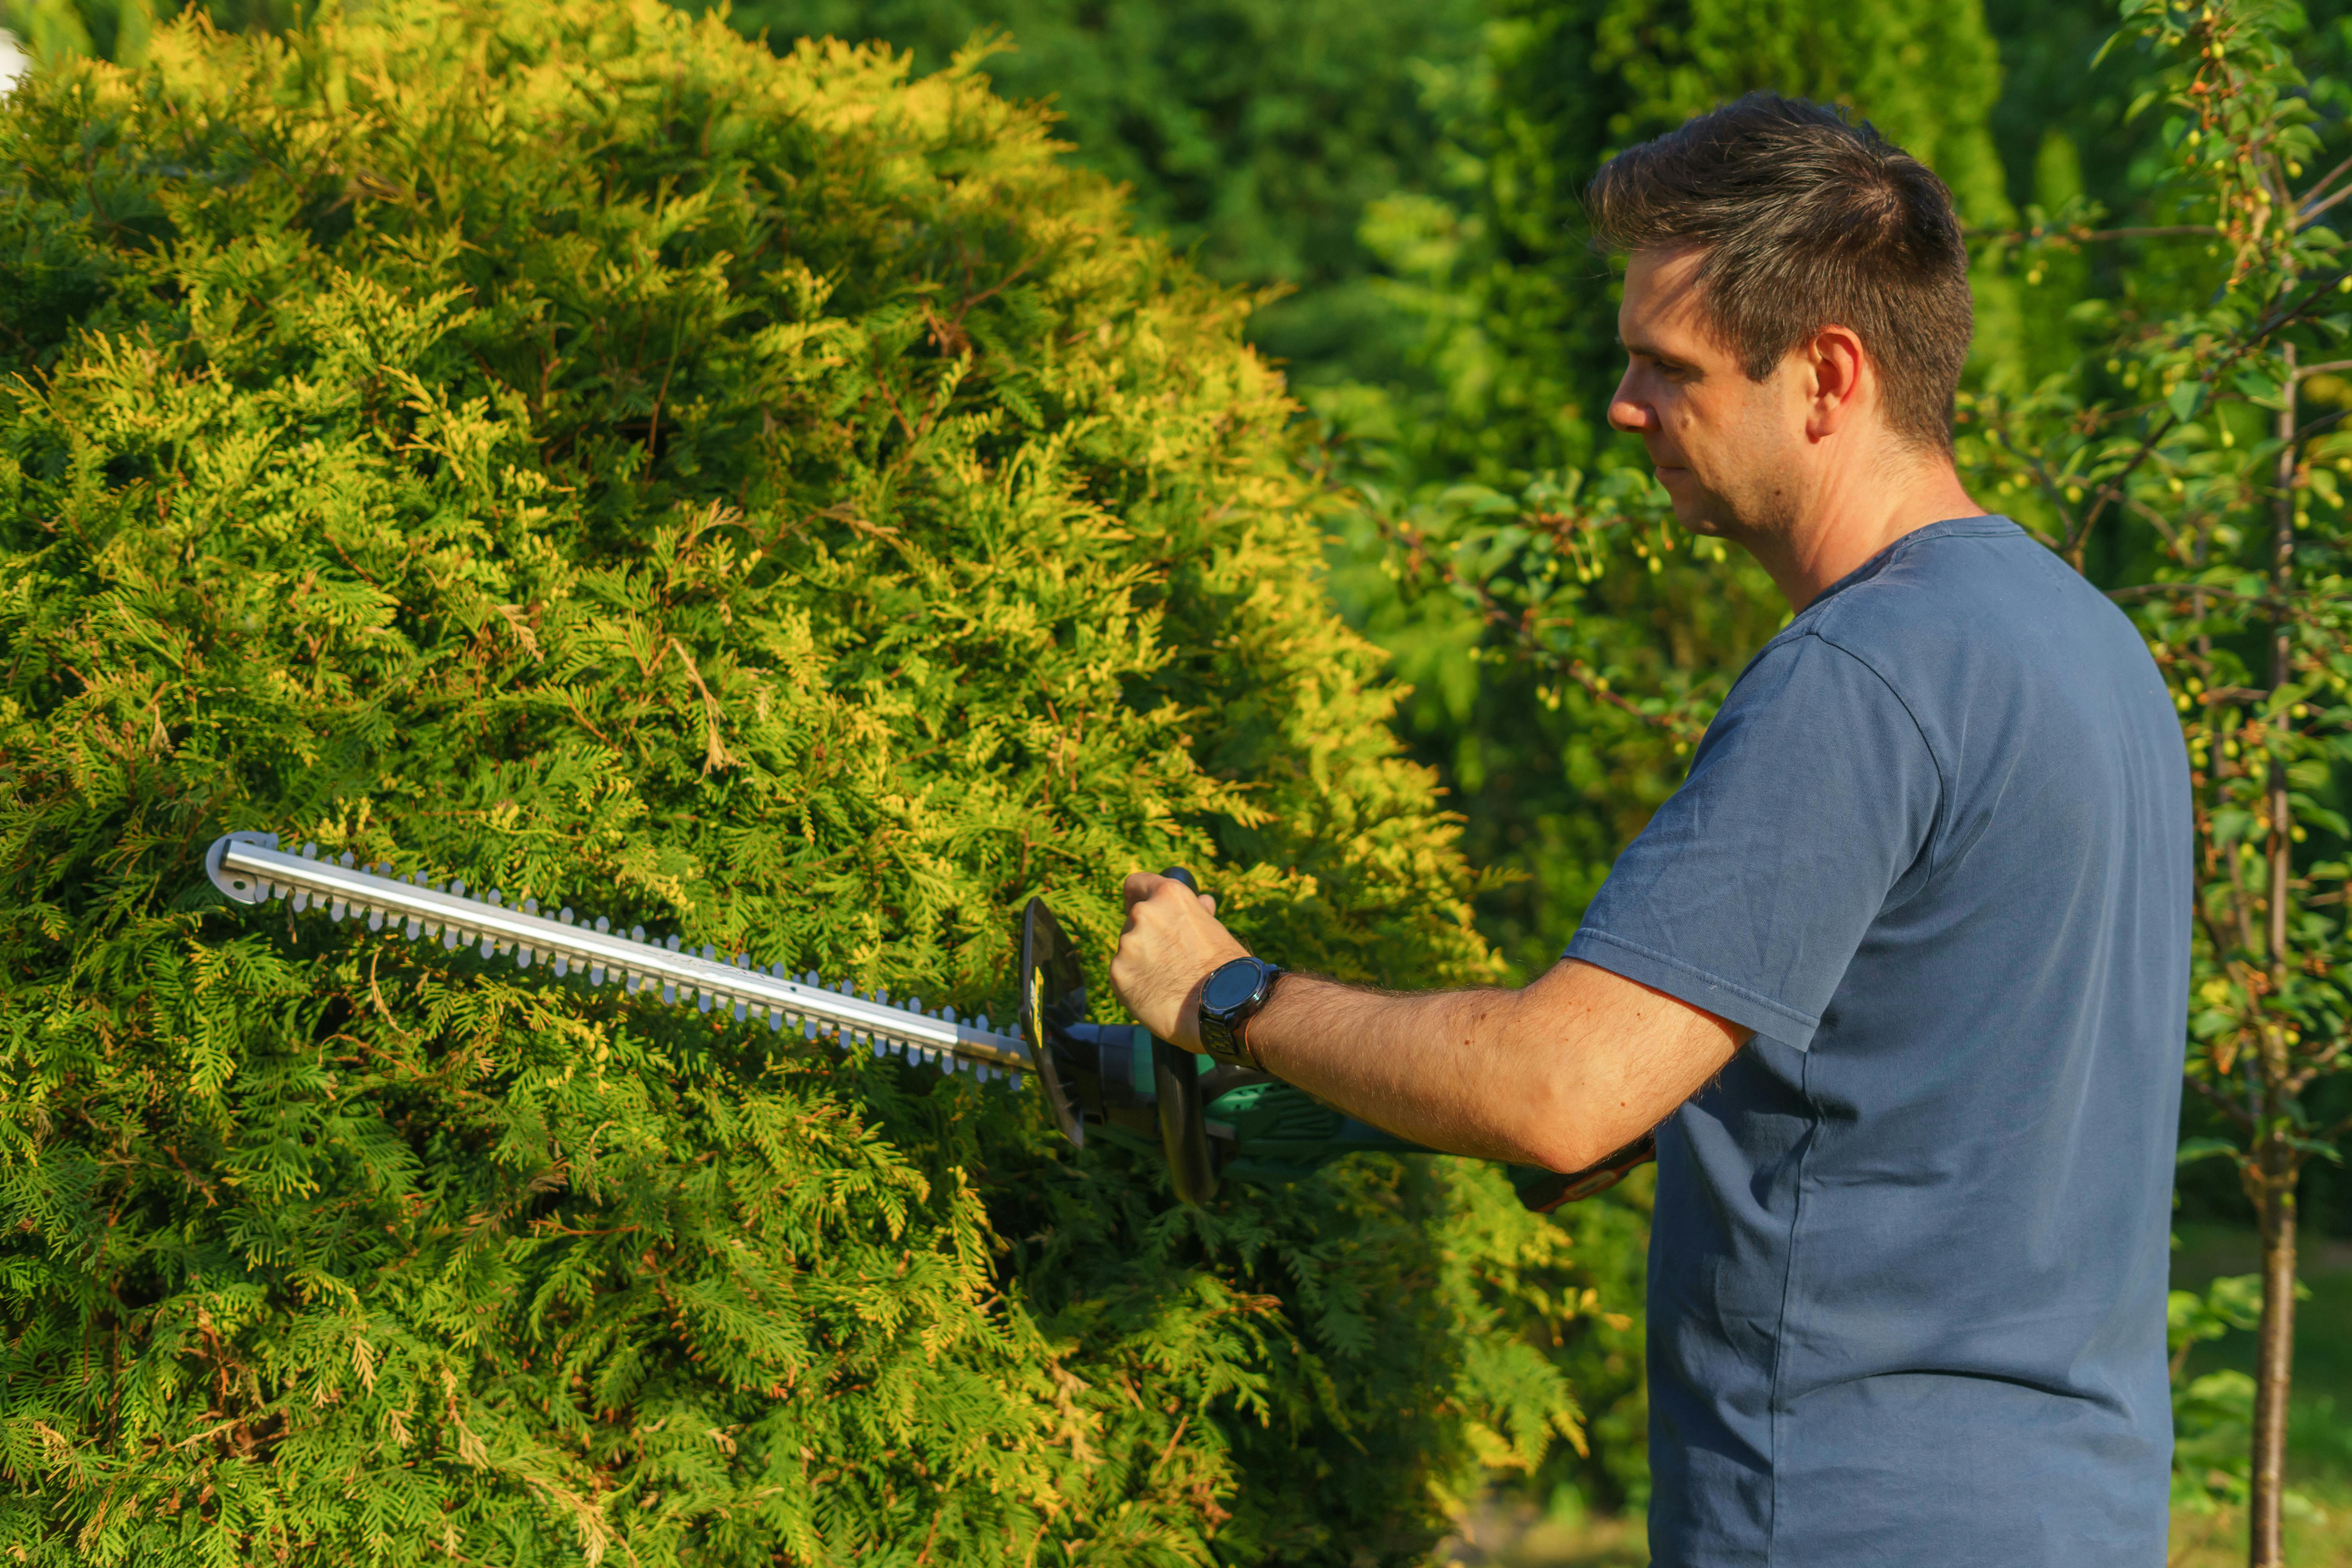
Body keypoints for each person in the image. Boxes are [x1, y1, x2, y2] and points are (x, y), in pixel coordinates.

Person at [1109, 93, 2190, 1567]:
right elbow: (1933, 1065)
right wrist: (1355, 1093)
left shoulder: (1859, 681)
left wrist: (1231, 1000)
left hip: (1845, 1514)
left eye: (1666, 366)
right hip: (2074, 1506)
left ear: (1827, 376)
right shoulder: (2083, 644)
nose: (1624, 405)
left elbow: (1565, 1089)